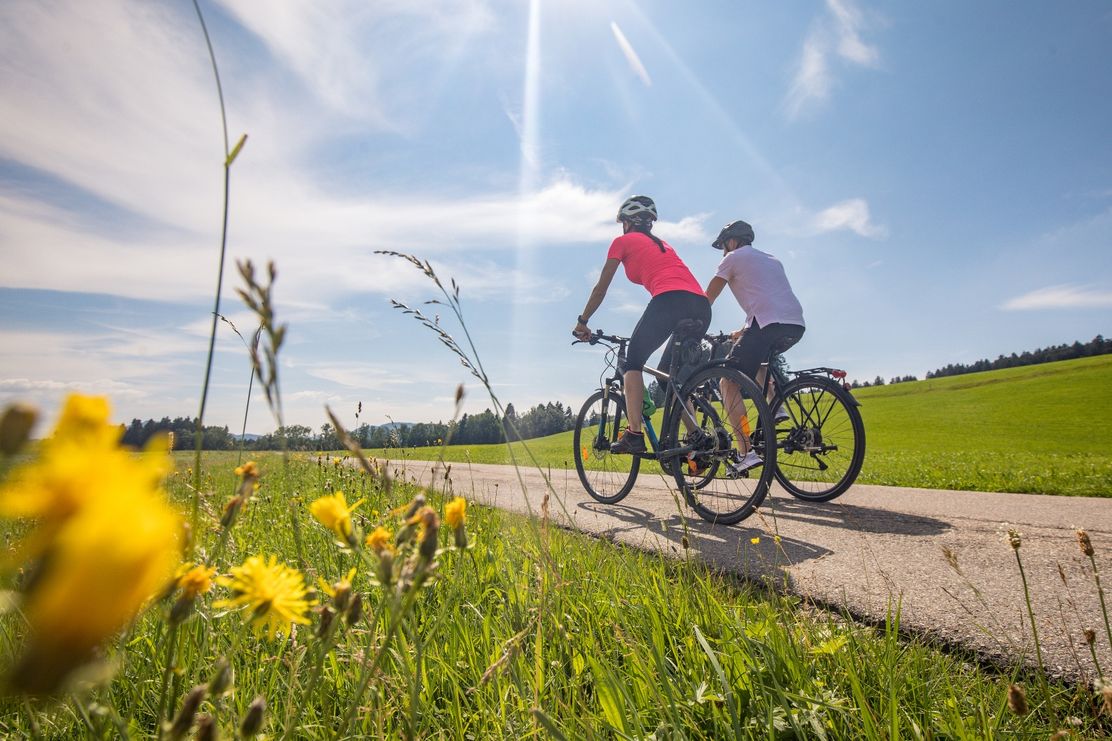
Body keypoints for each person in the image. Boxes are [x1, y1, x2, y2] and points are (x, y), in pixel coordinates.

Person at [573, 195, 711, 454]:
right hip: (701, 306)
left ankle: (634, 434)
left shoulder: (622, 241)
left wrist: (583, 322)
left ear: (626, 222)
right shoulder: (664, 245)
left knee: (633, 363)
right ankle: (698, 440)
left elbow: (600, 289)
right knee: (668, 379)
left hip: (670, 302)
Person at [704, 219, 805, 472]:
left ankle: (745, 452)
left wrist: (694, 322)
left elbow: (709, 297)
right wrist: (743, 331)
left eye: (724, 245)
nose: (724, 251)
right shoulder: (771, 259)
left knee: (727, 382)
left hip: (766, 324)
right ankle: (776, 404)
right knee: (757, 358)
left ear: (733, 241)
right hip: (794, 324)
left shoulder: (733, 258)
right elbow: (767, 297)